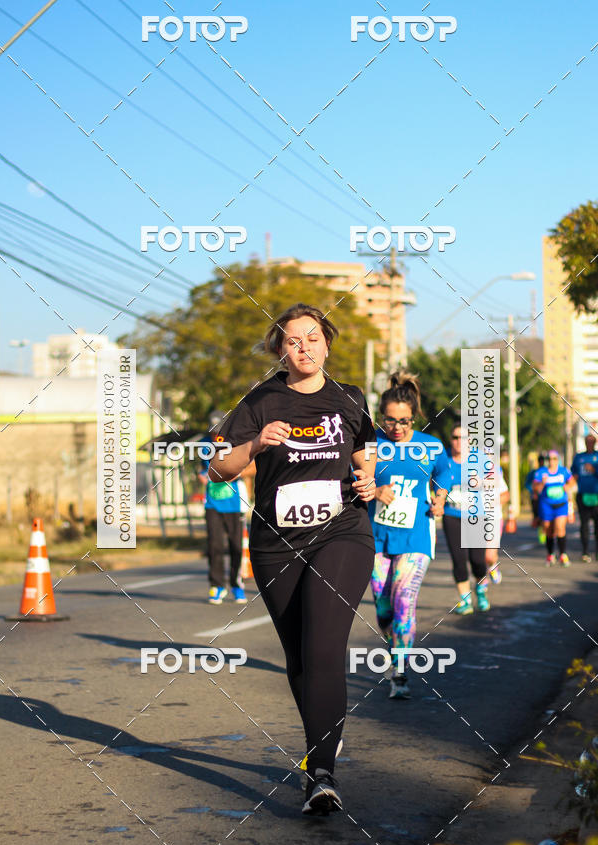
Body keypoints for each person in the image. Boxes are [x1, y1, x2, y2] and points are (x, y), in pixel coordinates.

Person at [209, 303, 376, 816]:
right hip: (276, 542)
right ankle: (323, 736)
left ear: (328, 343)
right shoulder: (259, 401)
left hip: (341, 533)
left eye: (312, 338)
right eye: (292, 341)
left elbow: (364, 452)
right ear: (279, 349)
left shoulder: (350, 399)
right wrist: (256, 443)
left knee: (324, 645)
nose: (303, 347)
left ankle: (321, 773)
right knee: (300, 658)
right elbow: (218, 468)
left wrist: (369, 480)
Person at [368, 372, 450, 699]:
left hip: (416, 535)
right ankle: (394, 646)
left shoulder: (430, 446)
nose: (397, 428)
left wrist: (441, 497)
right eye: (390, 420)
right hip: (375, 536)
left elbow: (444, 473)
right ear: (380, 416)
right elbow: (350, 477)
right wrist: (375, 490)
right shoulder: (370, 443)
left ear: (413, 417)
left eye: (404, 421)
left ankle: (399, 671)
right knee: (384, 607)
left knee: (404, 599)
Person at [198, 411, 254, 605]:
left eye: (218, 431)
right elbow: (202, 468)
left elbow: (253, 466)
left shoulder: (237, 440)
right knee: (214, 545)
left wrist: (234, 472)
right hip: (212, 500)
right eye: (213, 431)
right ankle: (217, 585)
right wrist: (202, 475)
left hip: (234, 502)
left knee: (236, 546)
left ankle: (236, 585)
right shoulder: (205, 443)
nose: (215, 435)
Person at [443, 426, 490, 614]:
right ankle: (465, 600)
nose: (458, 441)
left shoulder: (479, 458)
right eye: (455, 437)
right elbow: (432, 479)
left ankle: (481, 588)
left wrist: (482, 482)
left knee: (478, 560)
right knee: (459, 560)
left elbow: (495, 481)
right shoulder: (443, 459)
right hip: (452, 515)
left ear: (469, 440)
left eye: (463, 437)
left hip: (476, 516)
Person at [533, 449, 574, 566]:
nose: (552, 461)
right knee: (548, 529)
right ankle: (550, 554)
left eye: (554, 459)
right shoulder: (541, 472)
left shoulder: (563, 471)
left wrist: (568, 486)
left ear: (558, 460)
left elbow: (572, 482)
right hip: (546, 505)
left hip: (561, 505)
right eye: (549, 459)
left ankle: (563, 555)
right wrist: (542, 483)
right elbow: (535, 488)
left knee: (560, 527)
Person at [571, 434, 598, 562]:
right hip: (582, 495)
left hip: (596, 495)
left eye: (592, 441)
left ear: (595, 442)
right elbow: (573, 473)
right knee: (584, 525)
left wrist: (594, 469)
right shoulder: (579, 457)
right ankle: (585, 552)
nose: (589, 443)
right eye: (587, 441)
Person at [485, 467, 510, 584]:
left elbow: (505, 495)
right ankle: (482, 584)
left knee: (489, 556)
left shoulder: (494, 471)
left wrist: (492, 501)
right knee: (478, 556)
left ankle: (493, 566)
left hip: (493, 518)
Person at [525, 453, 546, 544]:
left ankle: (546, 533)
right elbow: (528, 484)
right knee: (537, 517)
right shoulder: (534, 472)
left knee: (545, 516)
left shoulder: (547, 471)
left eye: (542, 461)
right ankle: (541, 534)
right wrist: (533, 492)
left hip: (545, 498)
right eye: (540, 461)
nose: (541, 462)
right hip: (536, 498)